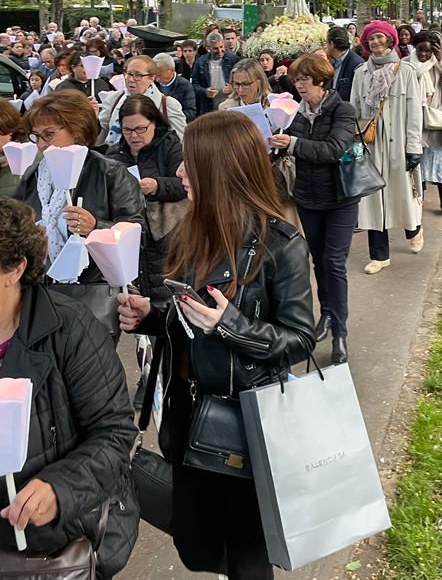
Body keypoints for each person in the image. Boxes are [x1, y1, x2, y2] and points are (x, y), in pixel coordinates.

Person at [118, 112, 315, 580]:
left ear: (220, 170)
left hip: (244, 421)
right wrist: (154, 316)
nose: (180, 173)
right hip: (186, 410)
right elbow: (190, 316)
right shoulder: (191, 231)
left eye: (190, 165)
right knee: (198, 542)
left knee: (247, 550)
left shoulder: (280, 244)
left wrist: (231, 323)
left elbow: (301, 338)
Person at [0, 198, 139, 578]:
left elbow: (115, 434)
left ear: (13, 269)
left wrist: (58, 488)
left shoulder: (67, 331)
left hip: (40, 554)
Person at [269, 53, 357, 365]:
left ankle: (340, 333)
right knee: (318, 261)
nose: (299, 84)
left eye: (305, 79)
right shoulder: (294, 113)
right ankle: (327, 315)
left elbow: (334, 150)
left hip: (340, 199)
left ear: (321, 80)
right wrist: (273, 146)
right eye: (296, 79)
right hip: (308, 197)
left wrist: (291, 144)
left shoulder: (343, 111)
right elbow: (288, 153)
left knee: (334, 262)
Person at [15, 90, 145, 285]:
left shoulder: (110, 173)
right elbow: (14, 224)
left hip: (93, 287)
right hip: (40, 286)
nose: (41, 144)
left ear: (76, 131)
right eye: (35, 136)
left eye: (49, 134)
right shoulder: (34, 175)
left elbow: (138, 237)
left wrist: (95, 227)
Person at [350, 21, 423, 274]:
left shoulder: (406, 71)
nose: (375, 42)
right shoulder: (361, 73)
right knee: (373, 200)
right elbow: (355, 109)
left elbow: (414, 111)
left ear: (391, 40)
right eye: (371, 38)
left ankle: (415, 229)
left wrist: (414, 147)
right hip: (371, 143)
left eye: (380, 37)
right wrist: (355, 141)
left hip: (399, 142)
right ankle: (379, 255)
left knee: (403, 195)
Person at [106, 95, 185, 303]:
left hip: (166, 235)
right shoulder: (115, 153)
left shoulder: (170, 145)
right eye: (127, 130)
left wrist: (157, 186)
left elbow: (183, 185)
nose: (133, 136)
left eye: (141, 129)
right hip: (131, 239)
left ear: (154, 123)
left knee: (165, 299)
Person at [409, 32, 442, 213]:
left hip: (436, 119)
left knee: (438, 158)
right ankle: (419, 196)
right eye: (420, 50)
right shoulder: (408, 64)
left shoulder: (439, 64)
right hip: (415, 119)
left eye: (428, 51)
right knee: (417, 158)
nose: (423, 54)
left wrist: (441, 60)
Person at [99, 54, 186, 143]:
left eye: (138, 75)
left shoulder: (167, 104)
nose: (131, 79)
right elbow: (98, 137)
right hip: (116, 155)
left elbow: (181, 142)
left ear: (152, 78)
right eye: (129, 74)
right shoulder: (114, 99)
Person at [191, 31, 239, 114]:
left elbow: (243, 80)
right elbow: (194, 85)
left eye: (221, 47)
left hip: (230, 106)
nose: (220, 51)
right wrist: (205, 91)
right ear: (208, 48)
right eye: (215, 48)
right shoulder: (200, 62)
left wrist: (233, 88)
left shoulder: (233, 59)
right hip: (208, 108)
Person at [153, 53, 197, 122]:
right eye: (154, 75)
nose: (157, 79)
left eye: (160, 75)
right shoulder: (152, 84)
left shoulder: (185, 85)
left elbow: (190, 112)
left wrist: (169, 117)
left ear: (172, 70)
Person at [326, 26, 364, 103]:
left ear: (332, 44)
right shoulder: (334, 60)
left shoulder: (356, 64)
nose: (326, 46)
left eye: (327, 42)